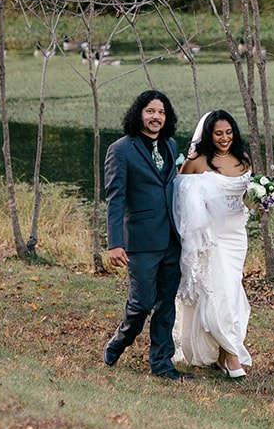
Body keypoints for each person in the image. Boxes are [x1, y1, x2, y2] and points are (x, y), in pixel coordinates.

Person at [102, 89, 185, 380]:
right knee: (142, 303)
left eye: (161, 112)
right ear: (139, 113)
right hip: (140, 240)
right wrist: (114, 243)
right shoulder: (121, 149)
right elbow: (115, 198)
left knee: (166, 305)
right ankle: (121, 340)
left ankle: (162, 364)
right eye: (150, 111)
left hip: (172, 239)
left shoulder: (171, 146)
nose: (156, 117)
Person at [172, 110, 255, 378]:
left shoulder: (242, 160)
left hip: (236, 238)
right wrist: (197, 237)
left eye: (229, 132)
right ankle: (232, 356)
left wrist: (261, 200)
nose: (224, 138)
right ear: (209, 134)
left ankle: (222, 354)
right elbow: (182, 202)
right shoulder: (196, 162)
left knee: (231, 293)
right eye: (219, 133)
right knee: (220, 294)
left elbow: (244, 200)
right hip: (212, 239)